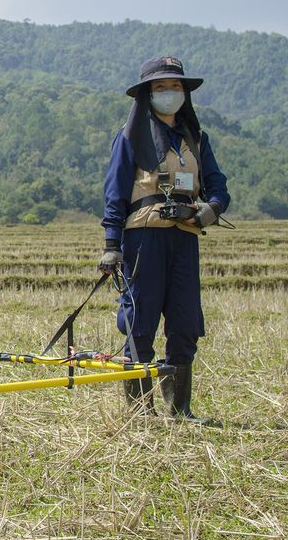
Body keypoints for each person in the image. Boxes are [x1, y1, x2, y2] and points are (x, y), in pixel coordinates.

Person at [98, 56, 229, 424]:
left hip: (185, 238)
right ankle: (141, 413)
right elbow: (115, 192)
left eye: (175, 87)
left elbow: (218, 188)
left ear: (185, 93)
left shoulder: (197, 139)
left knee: (186, 323)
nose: (169, 93)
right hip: (143, 239)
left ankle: (179, 410)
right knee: (140, 323)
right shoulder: (130, 138)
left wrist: (207, 211)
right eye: (160, 87)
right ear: (147, 94)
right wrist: (111, 245)